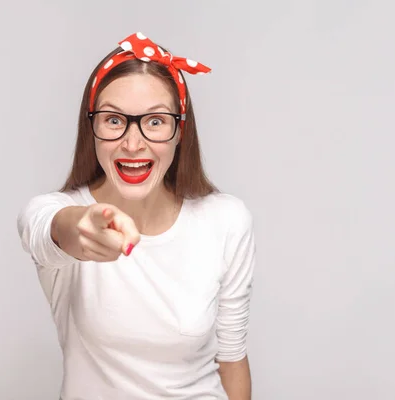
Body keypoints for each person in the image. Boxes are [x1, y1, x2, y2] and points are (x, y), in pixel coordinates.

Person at [17, 32, 256, 400]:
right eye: (114, 120)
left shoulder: (226, 219)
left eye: (155, 122)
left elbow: (232, 360)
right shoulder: (58, 211)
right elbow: (45, 228)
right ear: (91, 128)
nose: (133, 142)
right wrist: (79, 228)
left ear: (180, 131)